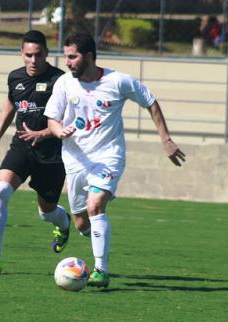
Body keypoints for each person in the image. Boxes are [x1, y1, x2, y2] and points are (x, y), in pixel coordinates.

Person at [44, 32, 186, 288]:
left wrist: (166, 139)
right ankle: (83, 234)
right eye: (66, 56)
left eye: (72, 57)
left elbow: (150, 102)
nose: (67, 62)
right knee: (80, 221)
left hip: (108, 156)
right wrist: (58, 131)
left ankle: (101, 270)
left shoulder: (118, 81)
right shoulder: (65, 83)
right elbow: (52, 119)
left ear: (88, 56)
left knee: (96, 204)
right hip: (75, 159)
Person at [0, 30, 71, 274]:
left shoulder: (61, 81)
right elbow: (12, 102)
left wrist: (43, 134)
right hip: (21, 147)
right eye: (28, 55)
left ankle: (64, 222)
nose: (33, 60)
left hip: (51, 153)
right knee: (0, 191)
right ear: (21, 54)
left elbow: (70, 121)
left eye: (38, 55)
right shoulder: (15, 77)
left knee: (46, 211)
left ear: (47, 54)